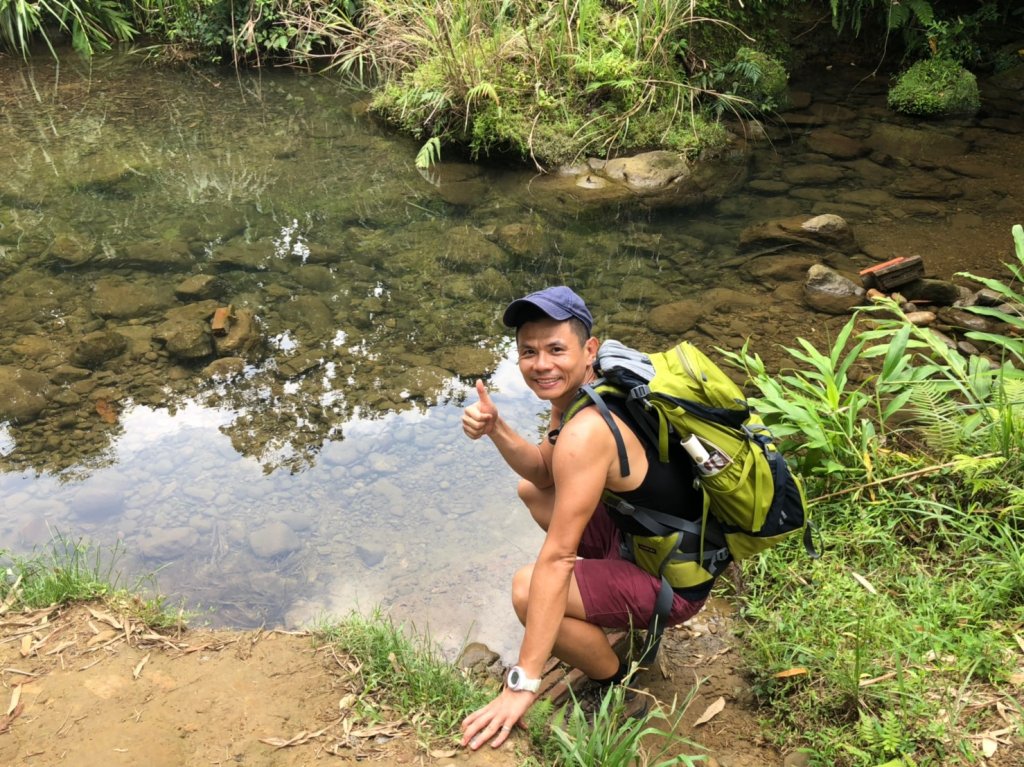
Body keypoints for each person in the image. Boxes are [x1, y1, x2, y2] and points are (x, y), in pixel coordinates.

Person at [459, 286, 711, 752]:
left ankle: (615, 679)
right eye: (529, 352)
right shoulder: (590, 389)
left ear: (588, 348)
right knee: (533, 491)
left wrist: (522, 683)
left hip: (676, 582)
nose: (541, 364)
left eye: (556, 349)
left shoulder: (587, 431)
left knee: (526, 588)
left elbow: (558, 559)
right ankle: (609, 609)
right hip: (657, 544)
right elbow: (541, 468)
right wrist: (497, 428)